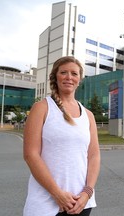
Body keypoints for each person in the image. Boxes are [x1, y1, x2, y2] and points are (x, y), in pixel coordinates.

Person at [23, 56, 101, 216]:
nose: (69, 77)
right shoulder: (42, 108)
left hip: (81, 203)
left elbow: (94, 155)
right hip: (46, 205)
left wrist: (87, 192)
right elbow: (30, 155)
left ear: (79, 79)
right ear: (55, 77)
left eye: (74, 73)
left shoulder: (88, 115)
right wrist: (57, 194)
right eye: (63, 72)